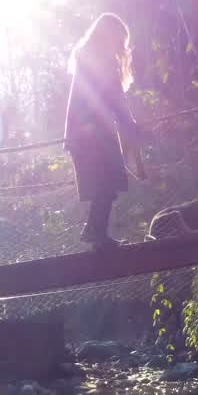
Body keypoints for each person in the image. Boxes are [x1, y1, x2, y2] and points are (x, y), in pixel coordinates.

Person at [64, 13, 145, 248]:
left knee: (105, 185)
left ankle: (95, 232)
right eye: (119, 38)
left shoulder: (87, 57)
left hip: (84, 133)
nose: (121, 45)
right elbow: (114, 98)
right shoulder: (101, 60)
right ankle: (95, 233)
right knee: (106, 182)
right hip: (92, 134)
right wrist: (129, 124)